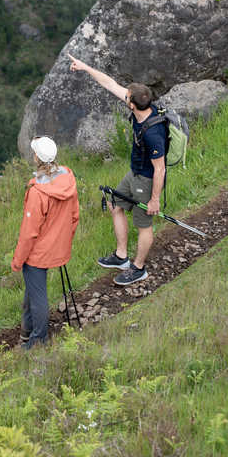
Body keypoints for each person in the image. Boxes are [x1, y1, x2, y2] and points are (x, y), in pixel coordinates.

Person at [68, 56, 166, 286]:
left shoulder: (154, 133)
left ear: (132, 104)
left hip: (147, 179)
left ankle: (138, 268)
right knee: (114, 203)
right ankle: (121, 256)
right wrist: (85, 67)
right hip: (134, 173)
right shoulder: (142, 106)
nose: (125, 95)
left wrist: (154, 199)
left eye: (127, 96)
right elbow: (109, 83)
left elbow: (160, 169)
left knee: (144, 225)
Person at [11, 136, 80, 349]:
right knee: (33, 289)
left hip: (38, 253)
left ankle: (37, 339)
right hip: (59, 246)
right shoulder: (68, 178)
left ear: (36, 158)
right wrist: (64, 240)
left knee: (39, 297)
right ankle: (27, 328)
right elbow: (74, 216)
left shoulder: (36, 192)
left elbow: (29, 233)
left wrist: (17, 260)